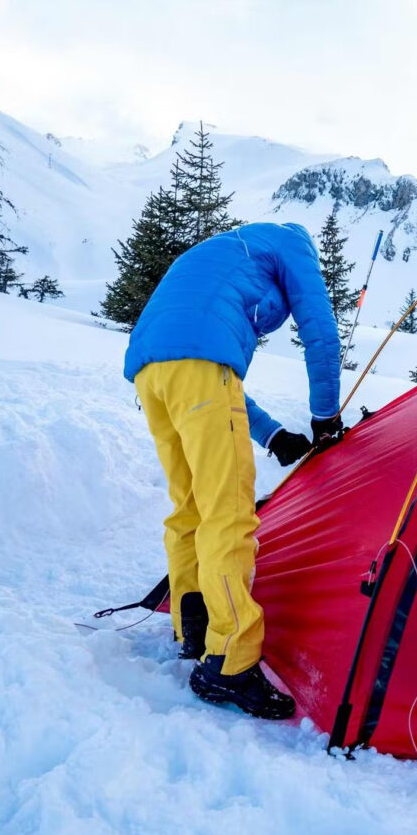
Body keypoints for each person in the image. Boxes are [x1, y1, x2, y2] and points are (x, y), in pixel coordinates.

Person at [124, 222, 343, 720]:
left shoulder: (227, 254)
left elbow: (198, 370)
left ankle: (194, 624)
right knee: (228, 513)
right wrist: (325, 418)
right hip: (194, 367)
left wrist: (272, 435)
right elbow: (320, 333)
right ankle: (230, 662)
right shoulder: (293, 243)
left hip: (148, 369)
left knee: (191, 506)